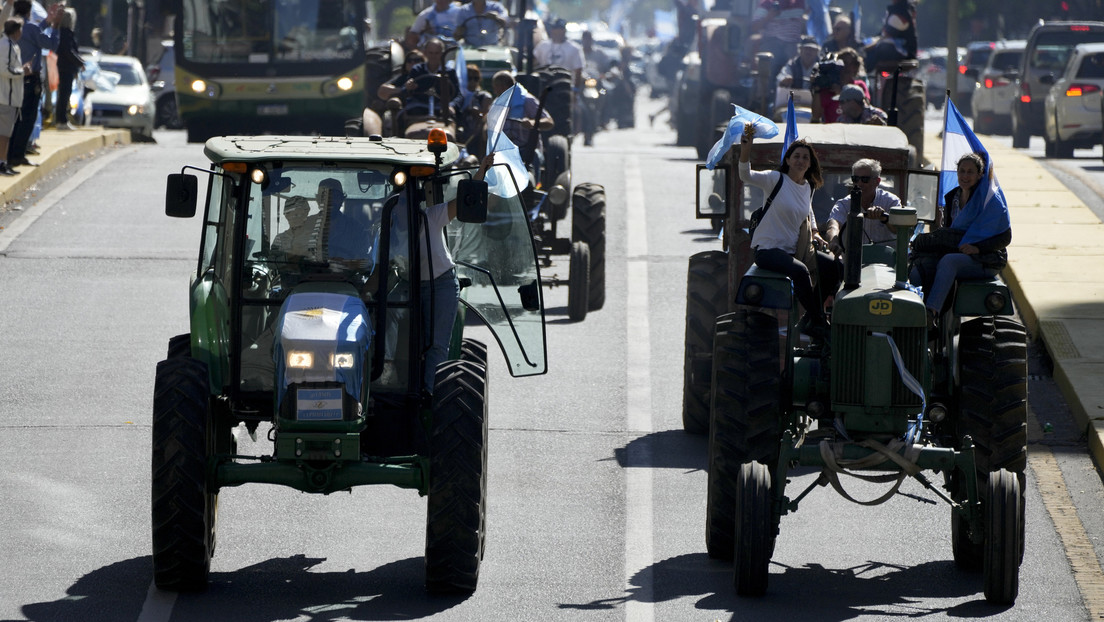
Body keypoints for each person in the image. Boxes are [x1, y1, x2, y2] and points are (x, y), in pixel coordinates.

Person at [738, 126, 839, 339]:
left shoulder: (807, 187)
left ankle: (810, 319)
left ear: (810, 163)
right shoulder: (775, 179)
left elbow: (807, 209)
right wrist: (746, 150)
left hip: (795, 250)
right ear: (788, 160)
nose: (800, 160)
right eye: (796, 156)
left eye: (805, 157)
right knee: (800, 272)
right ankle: (818, 320)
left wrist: (815, 232)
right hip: (768, 250)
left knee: (834, 266)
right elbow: (745, 175)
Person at [909, 152, 1011, 322]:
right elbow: (950, 233)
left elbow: (1005, 237)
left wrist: (977, 248)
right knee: (919, 267)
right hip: (957, 252)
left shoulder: (988, 200)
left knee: (949, 261)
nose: (965, 176)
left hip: (984, 258)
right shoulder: (952, 197)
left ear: (980, 175)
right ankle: (914, 313)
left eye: (970, 172)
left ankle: (930, 313)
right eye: (962, 171)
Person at [8, 0, 59, 168]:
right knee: (27, 118)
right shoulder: (30, 27)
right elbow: (51, 44)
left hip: (15, 77)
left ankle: (10, 154)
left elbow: (33, 33)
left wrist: (46, 22)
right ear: (30, 11)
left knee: (15, 117)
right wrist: (55, 26)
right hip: (30, 78)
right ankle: (17, 155)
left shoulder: (13, 25)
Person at [823, 158, 901, 256]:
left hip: (885, 261)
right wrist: (834, 242)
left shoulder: (891, 202)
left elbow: (899, 230)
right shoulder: (844, 204)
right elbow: (833, 225)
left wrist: (884, 218)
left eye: (865, 180)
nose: (859, 184)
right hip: (853, 261)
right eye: (855, 179)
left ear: (877, 181)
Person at [378, 38, 462, 120]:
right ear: (425, 53)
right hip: (417, 108)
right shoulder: (417, 70)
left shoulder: (449, 72)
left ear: (442, 54)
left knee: (456, 119)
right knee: (401, 118)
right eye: (431, 53)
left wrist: (451, 106)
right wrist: (408, 87)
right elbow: (405, 91)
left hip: (441, 109)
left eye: (437, 53)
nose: (433, 56)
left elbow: (458, 94)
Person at [490, 70, 553, 168]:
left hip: (525, 150)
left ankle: (535, 182)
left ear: (504, 87)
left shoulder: (527, 101)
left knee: (535, 157)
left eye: (495, 88)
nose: (494, 91)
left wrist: (532, 122)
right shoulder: (497, 103)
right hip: (502, 150)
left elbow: (549, 122)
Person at [750, 0, 807, 78]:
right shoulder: (767, 4)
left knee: (795, 70)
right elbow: (754, 27)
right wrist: (769, 16)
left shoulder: (800, 3)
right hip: (773, 41)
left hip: (793, 43)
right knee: (770, 68)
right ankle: (768, 86)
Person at [0, 18, 24, 177]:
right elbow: (4, 69)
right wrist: (22, 71)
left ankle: (3, 162)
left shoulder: (12, 45)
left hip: (10, 97)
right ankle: (2, 163)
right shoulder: (6, 45)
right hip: (5, 97)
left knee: (6, 133)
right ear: (16, 30)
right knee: (4, 134)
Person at [865, 0, 917, 71]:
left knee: (881, 48)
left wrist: (867, 48)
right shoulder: (897, 10)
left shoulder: (901, 13)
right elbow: (882, 35)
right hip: (898, 50)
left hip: (904, 53)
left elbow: (886, 36)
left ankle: (865, 70)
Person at [533, 18, 584, 87]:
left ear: (564, 31)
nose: (557, 32)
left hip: (565, 85)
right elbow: (533, 62)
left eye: (560, 29)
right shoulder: (542, 45)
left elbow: (578, 71)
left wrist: (575, 89)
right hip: (544, 84)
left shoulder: (574, 48)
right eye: (555, 29)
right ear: (551, 30)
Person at [54, 7, 82, 130]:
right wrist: (79, 62)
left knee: (65, 94)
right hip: (65, 69)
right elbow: (68, 51)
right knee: (64, 95)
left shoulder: (63, 33)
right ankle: (61, 120)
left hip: (65, 68)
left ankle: (62, 119)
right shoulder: (65, 33)